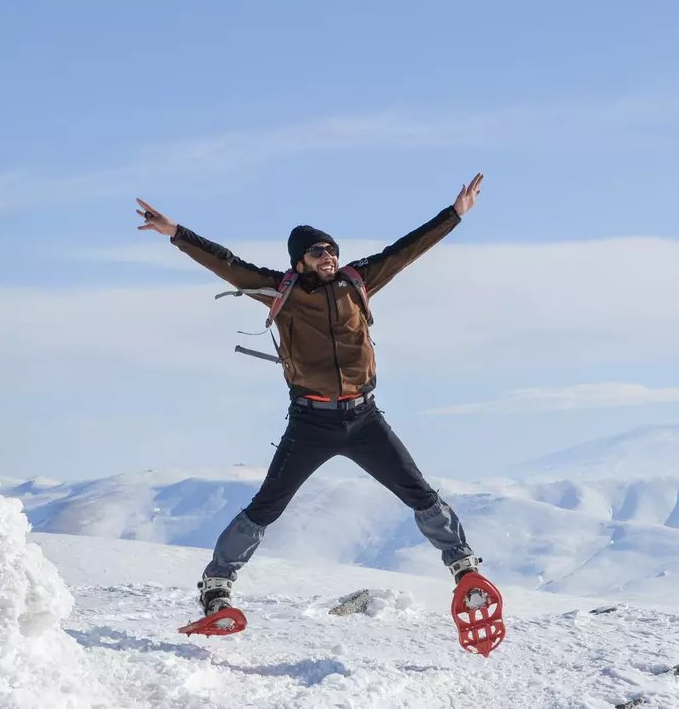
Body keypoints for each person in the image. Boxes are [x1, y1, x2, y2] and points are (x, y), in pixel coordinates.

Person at [135, 173, 486, 619]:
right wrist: (177, 234)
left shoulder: (358, 281)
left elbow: (405, 251)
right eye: (319, 251)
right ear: (299, 261)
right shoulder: (280, 291)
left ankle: (465, 570)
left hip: (364, 419)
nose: (329, 256)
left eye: (332, 249)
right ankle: (217, 584)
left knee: (419, 493)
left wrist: (453, 215)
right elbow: (225, 262)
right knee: (266, 506)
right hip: (310, 422)